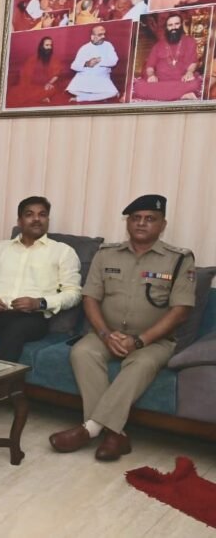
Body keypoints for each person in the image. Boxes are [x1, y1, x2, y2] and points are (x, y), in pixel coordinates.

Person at [50, 195, 195, 461]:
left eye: (150, 219)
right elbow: (90, 298)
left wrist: (139, 341)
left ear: (162, 225)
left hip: (154, 340)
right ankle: (116, 435)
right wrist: (105, 334)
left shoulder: (179, 259)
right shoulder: (106, 254)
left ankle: (91, 429)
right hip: (107, 333)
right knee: (82, 352)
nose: (141, 223)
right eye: (135, 218)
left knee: (140, 364)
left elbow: (181, 311)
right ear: (127, 222)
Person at [0, 197, 82, 362]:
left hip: (32, 318)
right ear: (19, 221)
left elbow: (74, 294)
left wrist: (39, 303)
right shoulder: (0, 248)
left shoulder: (63, 252)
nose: (36, 219)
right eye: (29, 214)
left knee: (14, 331)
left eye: (42, 215)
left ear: (47, 220)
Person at [132, 14, 202, 101]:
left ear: (181, 25)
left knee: (194, 84)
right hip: (161, 80)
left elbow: (193, 61)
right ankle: (182, 95)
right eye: (170, 25)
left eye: (177, 24)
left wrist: (189, 72)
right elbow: (150, 66)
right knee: (139, 87)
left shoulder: (189, 41)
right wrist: (151, 75)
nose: (173, 27)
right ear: (167, 28)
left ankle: (169, 94)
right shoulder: (158, 45)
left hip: (181, 79)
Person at [66, 25, 119, 103]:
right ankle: (98, 96)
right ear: (92, 36)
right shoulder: (84, 48)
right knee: (71, 90)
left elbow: (114, 61)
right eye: (100, 35)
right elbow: (73, 66)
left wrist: (99, 60)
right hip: (85, 76)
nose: (103, 37)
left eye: (104, 34)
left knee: (112, 93)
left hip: (102, 77)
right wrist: (86, 64)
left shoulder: (108, 45)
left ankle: (83, 98)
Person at [11, 36, 64, 106]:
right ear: (41, 47)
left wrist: (49, 83)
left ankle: (42, 97)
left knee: (51, 89)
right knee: (20, 91)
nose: (49, 47)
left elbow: (56, 75)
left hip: (46, 85)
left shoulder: (54, 59)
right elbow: (25, 73)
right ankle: (42, 97)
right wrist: (27, 85)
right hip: (32, 85)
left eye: (51, 45)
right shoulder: (32, 59)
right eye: (47, 45)